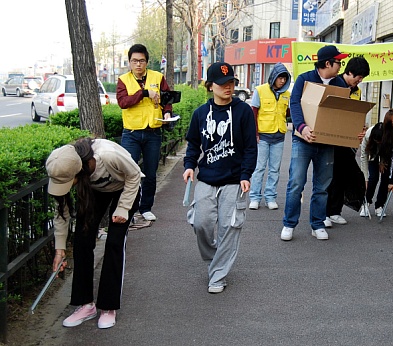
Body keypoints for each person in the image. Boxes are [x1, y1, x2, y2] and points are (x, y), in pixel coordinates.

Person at [46, 138, 142, 329]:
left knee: (114, 242)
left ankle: (108, 306)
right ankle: (86, 304)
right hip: (95, 190)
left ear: (79, 171)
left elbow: (135, 174)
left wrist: (123, 208)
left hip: (125, 189)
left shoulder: (107, 155)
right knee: (82, 240)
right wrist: (59, 250)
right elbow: (61, 213)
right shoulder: (62, 165)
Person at [183, 62, 257, 294]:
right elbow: (194, 144)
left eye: (231, 83)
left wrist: (246, 175)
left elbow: (250, 148)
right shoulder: (200, 114)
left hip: (234, 180)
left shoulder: (243, 111)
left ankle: (218, 275)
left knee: (229, 228)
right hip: (207, 178)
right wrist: (189, 166)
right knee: (201, 223)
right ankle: (216, 259)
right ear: (210, 86)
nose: (228, 87)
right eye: (223, 83)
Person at [281, 45, 348, 241]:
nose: (340, 65)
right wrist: (302, 128)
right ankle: (289, 223)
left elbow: (344, 114)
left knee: (322, 186)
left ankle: (317, 224)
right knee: (296, 183)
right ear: (327, 63)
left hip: (327, 142)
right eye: (338, 62)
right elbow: (294, 104)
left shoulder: (341, 85)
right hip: (303, 140)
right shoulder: (305, 79)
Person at [117, 43, 173, 222]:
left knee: (150, 173)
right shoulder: (123, 80)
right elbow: (123, 102)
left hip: (153, 132)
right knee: (130, 173)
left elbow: (167, 97)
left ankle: (146, 208)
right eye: (134, 61)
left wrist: (167, 111)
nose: (138, 64)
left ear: (147, 62)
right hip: (131, 133)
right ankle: (129, 209)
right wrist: (144, 93)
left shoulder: (158, 76)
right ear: (129, 62)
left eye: (141, 61)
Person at [325, 56, 370, 226]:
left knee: (342, 176)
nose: (359, 81)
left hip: (348, 141)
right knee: (327, 177)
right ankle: (324, 213)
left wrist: (362, 128)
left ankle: (335, 211)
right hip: (330, 138)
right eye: (358, 77)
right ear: (349, 72)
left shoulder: (356, 91)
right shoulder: (334, 84)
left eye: (362, 78)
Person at [248, 63, 291, 211]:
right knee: (259, 168)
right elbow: (253, 113)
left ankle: (270, 197)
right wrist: (255, 134)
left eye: (285, 78)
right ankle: (254, 197)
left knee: (274, 169)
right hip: (263, 136)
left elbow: (288, 113)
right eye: (280, 78)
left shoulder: (287, 94)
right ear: (273, 77)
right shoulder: (260, 91)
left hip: (279, 135)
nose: (282, 81)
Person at [359, 122, 393, 217]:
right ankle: (366, 203)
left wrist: (383, 162)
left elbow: (391, 154)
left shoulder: (390, 136)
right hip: (372, 153)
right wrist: (365, 178)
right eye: (377, 141)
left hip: (386, 152)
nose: (378, 142)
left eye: (380, 141)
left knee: (385, 178)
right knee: (373, 178)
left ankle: (379, 205)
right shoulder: (368, 135)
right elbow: (364, 157)